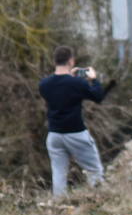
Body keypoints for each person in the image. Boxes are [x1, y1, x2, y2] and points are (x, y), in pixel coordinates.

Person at [38, 46, 115, 196]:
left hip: (54, 135)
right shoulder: (78, 84)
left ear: (55, 61)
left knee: (59, 174)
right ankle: (98, 201)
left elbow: (60, 91)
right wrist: (93, 79)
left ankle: (58, 207)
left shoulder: (44, 84)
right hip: (76, 133)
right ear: (71, 61)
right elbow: (98, 96)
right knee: (94, 170)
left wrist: (71, 78)